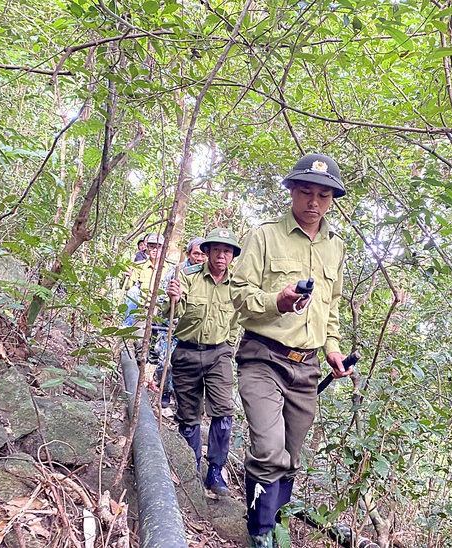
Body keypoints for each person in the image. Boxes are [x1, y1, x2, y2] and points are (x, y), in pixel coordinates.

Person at [230, 154, 353, 547]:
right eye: (305, 191)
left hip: (308, 367)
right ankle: (260, 534)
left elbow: (330, 307)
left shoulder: (336, 247)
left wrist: (332, 348)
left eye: (323, 194)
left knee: (290, 457)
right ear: (292, 192)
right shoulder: (264, 235)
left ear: (332, 198)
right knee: (268, 450)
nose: (313, 202)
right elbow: (238, 294)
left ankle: (274, 521)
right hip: (263, 357)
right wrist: (277, 302)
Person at [162, 228, 241, 497]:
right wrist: (173, 298)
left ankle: (215, 470)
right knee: (188, 415)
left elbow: (236, 321)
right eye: (216, 249)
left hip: (219, 354)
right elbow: (174, 314)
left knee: (223, 413)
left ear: (232, 256)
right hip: (186, 352)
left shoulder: (237, 285)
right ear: (206, 252)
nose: (221, 255)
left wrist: (228, 346)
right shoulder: (187, 277)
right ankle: (191, 466)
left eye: (227, 251)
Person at [153, 236, 207, 407]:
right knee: (166, 362)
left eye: (203, 254)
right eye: (196, 253)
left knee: (186, 367)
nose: (199, 258)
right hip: (169, 326)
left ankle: (179, 397)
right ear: (188, 253)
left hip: (192, 329)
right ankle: (165, 391)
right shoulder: (175, 271)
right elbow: (162, 298)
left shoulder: (207, 274)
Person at [123, 232, 164, 328]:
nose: (154, 250)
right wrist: (126, 276)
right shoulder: (140, 266)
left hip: (163, 310)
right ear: (147, 248)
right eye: (151, 247)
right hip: (144, 309)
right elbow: (128, 286)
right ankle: (127, 326)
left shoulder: (171, 267)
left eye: (158, 247)